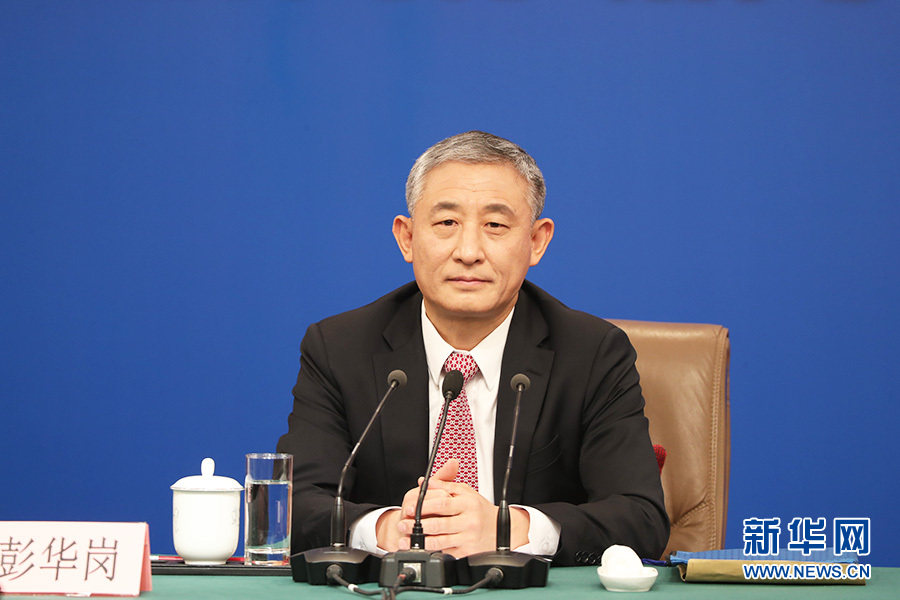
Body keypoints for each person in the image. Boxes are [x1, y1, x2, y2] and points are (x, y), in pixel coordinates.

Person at [276, 131, 669, 565]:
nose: (468, 251)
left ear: (536, 241)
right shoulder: (339, 349)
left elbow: (641, 519)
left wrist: (507, 527)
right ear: (407, 238)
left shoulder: (593, 354)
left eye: (495, 225)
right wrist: (388, 528)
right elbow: (294, 507)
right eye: (447, 223)